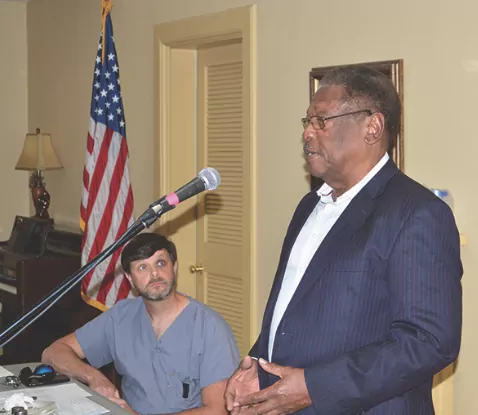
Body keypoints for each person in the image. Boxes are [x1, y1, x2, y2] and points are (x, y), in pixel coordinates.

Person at [225, 66, 463, 414]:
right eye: (306, 121)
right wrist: (256, 370)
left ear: (372, 127)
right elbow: (291, 311)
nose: (307, 133)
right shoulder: (309, 206)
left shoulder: (417, 213)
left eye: (320, 121)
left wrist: (314, 388)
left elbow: (429, 342)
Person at [42, 232, 239, 415]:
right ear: (130, 278)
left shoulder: (209, 327)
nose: (155, 274)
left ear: (174, 268)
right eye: (143, 267)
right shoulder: (121, 317)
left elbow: (218, 410)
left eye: (161, 263)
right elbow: (52, 353)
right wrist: (95, 377)